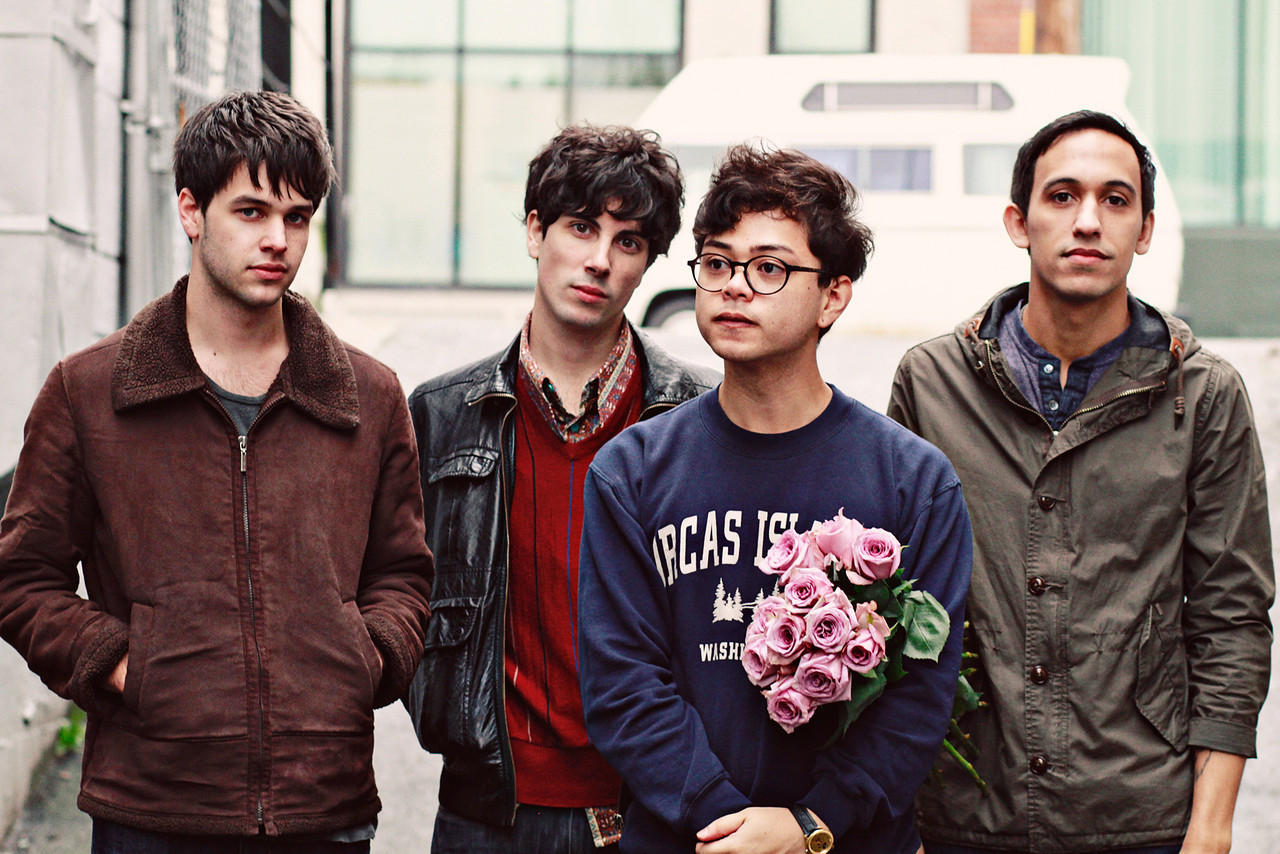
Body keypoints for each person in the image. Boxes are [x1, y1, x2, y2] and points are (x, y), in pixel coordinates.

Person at [0, 90, 434, 853]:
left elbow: (403, 573)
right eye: (251, 212)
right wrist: (125, 665)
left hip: (321, 804)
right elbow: (23, 578)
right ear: (191, 210)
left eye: (297, 218)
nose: (277, 241)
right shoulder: (89, 391)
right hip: (152, 806)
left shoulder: (367, 395)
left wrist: (363, 662)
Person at [888, 110, 1275, 854]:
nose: (1088, 221)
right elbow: (896, 604)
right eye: (1062, 196)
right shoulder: (931, 383)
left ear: (1146, 229)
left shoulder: (1205, 395)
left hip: (1142, 814)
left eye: (1115, 199)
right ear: (1019, 221)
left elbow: (1231, 616)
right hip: (964, 811)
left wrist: (1212, 826)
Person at [576, 143, 973, 853]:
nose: (734, 287)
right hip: (687, 841)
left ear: (834, 295)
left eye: (769, 268)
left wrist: (810, 825)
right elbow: (622, 683)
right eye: (717, 263)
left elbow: (921, 697)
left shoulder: (912, 481)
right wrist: (726, 823)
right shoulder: (632, 472)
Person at [401, 124, 718, 852]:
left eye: (628, 241)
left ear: (648, 263)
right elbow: (397, 588)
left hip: (654, 808)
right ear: (535, 231)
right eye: (580, 227)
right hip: (486, 810)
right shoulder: (442, 414)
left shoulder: (698, 415)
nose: (599, 260)